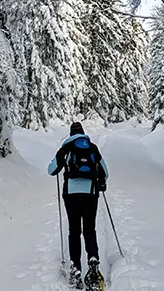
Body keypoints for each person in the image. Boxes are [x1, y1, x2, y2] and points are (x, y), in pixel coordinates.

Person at [48, 122, 109, 289]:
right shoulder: (92, 147)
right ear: (83, 133)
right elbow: (105, 171)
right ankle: (93, 261)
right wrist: (102, 183)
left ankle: (75, 269)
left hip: (71, 195)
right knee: (89, 229)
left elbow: (51, 170)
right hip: (90, 193)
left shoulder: (66, 148)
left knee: (74, 231)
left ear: (70, 134)